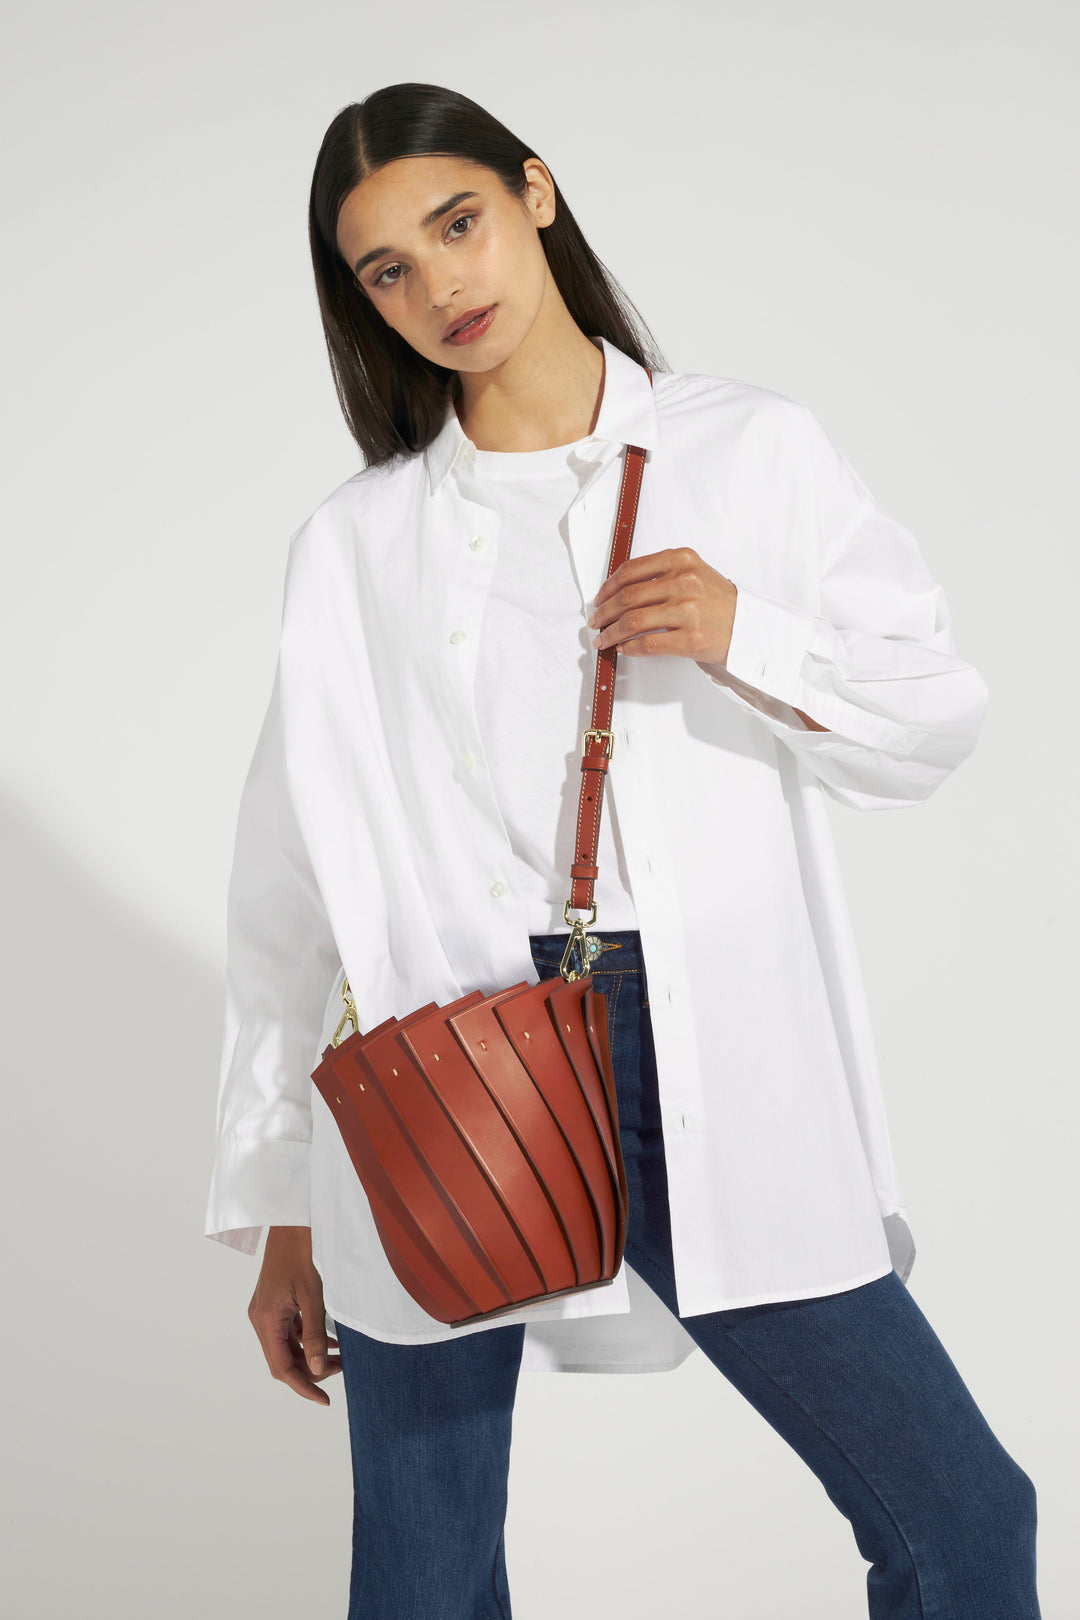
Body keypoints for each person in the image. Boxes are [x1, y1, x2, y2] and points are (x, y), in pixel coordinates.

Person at [205, 81, 1041, 1619]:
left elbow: (936, 716)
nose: (440, 285)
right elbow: (288, 886)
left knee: (961, 1515)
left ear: (534, 193)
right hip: (439, 1063)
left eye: (456, 224)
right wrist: (282, 1206)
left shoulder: (750, 453)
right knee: (426, 1574)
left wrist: (750, 634)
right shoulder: (358, 543)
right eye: (386, 269)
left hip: (696, 1045)